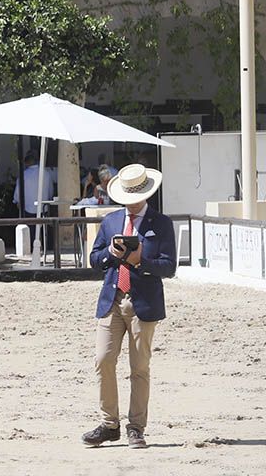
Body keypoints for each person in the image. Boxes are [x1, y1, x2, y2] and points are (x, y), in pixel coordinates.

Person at [83, 164, 176, 450]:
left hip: (143, 302)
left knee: (139, 367)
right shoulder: (111, 221)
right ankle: (109, 424)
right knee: (103, 359)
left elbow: (169, 266)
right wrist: (110, 254)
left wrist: (140, 262)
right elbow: (94, 258)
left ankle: (136, 427)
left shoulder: (161, 223)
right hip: (112, 299)